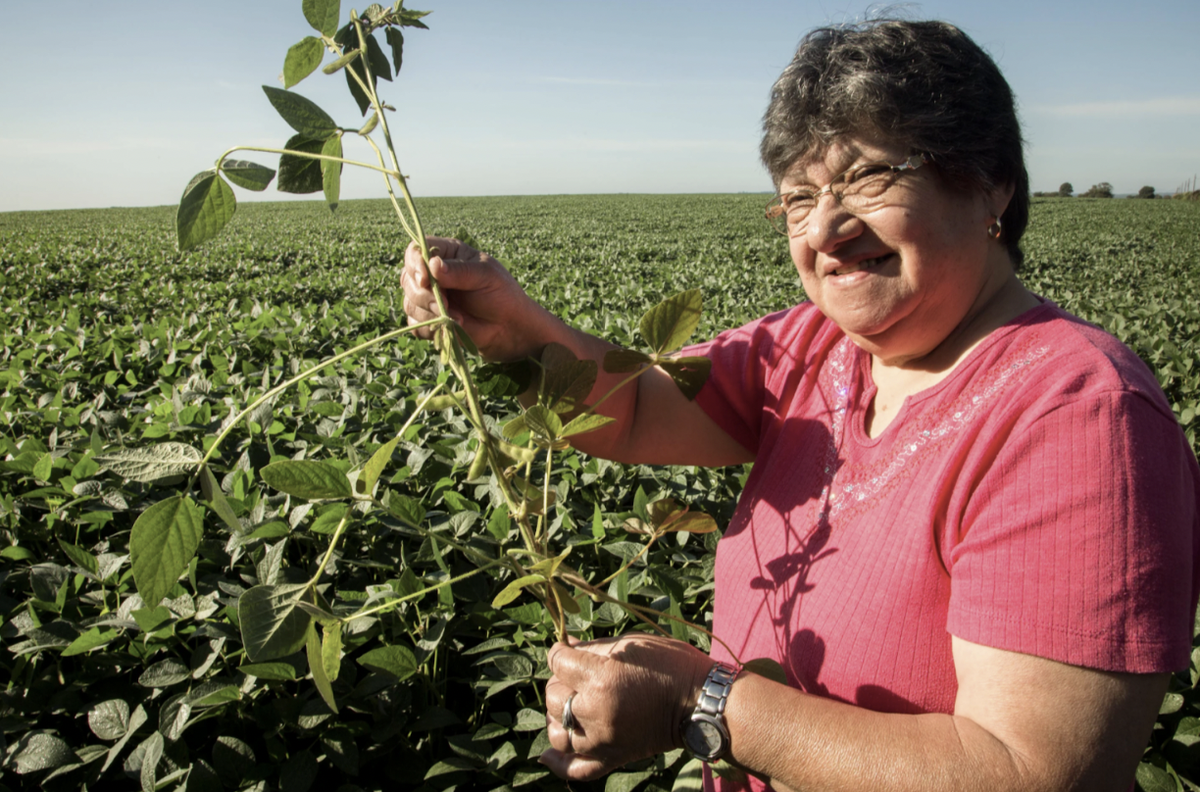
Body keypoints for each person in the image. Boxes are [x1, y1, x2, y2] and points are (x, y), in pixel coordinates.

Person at [401, 18, 1200, 792]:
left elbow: (1036, 775)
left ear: (990, 181)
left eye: (869, 176)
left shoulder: (1080, 412)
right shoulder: (812, 348)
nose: (826, 226)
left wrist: (697, 703)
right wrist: (508, 326)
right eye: (797, 196)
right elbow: (640, 410)